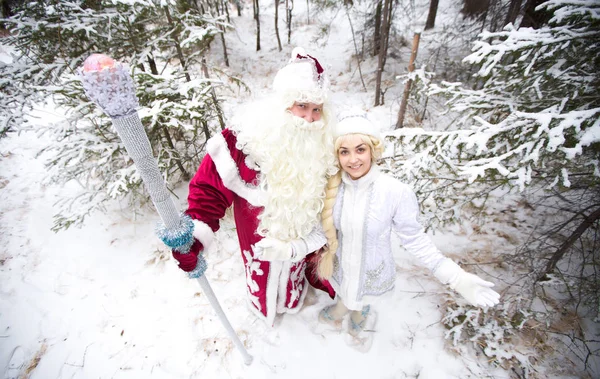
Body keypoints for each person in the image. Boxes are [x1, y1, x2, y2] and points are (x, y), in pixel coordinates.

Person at [171, 47, 338, 326]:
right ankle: (260, 306)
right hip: (257, 249)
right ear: (282, 105)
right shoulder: (242, 141)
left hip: (301, 250)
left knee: (293, 282)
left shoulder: (325, 147)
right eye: (301, 106)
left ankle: (292, 300)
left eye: (316, 109)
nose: (309, 119)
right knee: (260, 280)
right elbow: (208, 191)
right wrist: (194, 238)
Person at [317, 114, 500, 350]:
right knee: (345, 291)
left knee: (363, 300)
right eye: (344, 152)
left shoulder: (395, 192)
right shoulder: (332, 188)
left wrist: (455, 277)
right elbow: (318, 230)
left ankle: (358, 316)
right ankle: (341, 308)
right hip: (342, 266)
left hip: (374, 271)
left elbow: (415, 239)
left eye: (360, 149)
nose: (353, 159)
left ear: (373, 150)